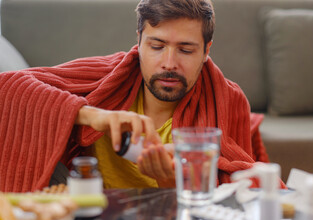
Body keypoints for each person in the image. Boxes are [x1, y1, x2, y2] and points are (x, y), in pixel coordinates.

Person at [0, 0, 274, 192]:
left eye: (186, 50)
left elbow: (240, 199)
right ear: (139, 42)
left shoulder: (227, 99)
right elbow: (8, 85)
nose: (169, 63)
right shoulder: (105, 78)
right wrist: (94, 116)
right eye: (157, 46)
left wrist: (171, 182)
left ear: (206, 51)